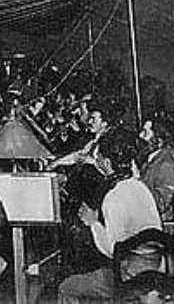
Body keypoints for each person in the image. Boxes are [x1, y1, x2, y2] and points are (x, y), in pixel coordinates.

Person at [58, 128, 162, 304]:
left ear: (106, 162)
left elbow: (113, 250)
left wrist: (92, 223)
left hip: (130, 275)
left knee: (67, 287)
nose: (96, 161)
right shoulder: (140, 187)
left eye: (97, 158)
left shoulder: (114, 196)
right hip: (156, 266)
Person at [139, 119, 174, 219]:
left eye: (145, 133)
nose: (140, 136)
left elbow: (161, 205)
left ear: (159, 141)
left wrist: (138, 180)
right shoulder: (151, 160)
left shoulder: (167, 166)